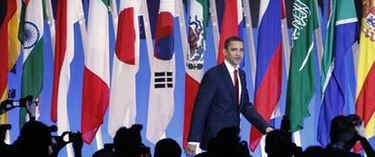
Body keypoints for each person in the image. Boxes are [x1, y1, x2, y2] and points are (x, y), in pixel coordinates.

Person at [186, 36, 273, 155]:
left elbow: (245, 106)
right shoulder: (214, 75)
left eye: (241, 50)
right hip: (215, 140)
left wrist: (265, 127)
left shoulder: (241, 75)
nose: (238, 54)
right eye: (234, 50)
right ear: (225, 52)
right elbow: (201, 107)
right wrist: (193, 139)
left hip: (233, 139)